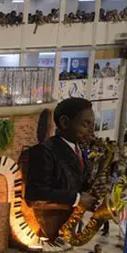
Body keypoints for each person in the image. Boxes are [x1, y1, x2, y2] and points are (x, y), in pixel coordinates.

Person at [25, 97, 97, 239]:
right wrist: (77, 199)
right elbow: (34, 193)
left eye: (92, 125)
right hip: (49, 226)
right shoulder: (43, 152)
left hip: (69, 223)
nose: (91, 131)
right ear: (65, 122)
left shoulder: (79, 149)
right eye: (86, 124)